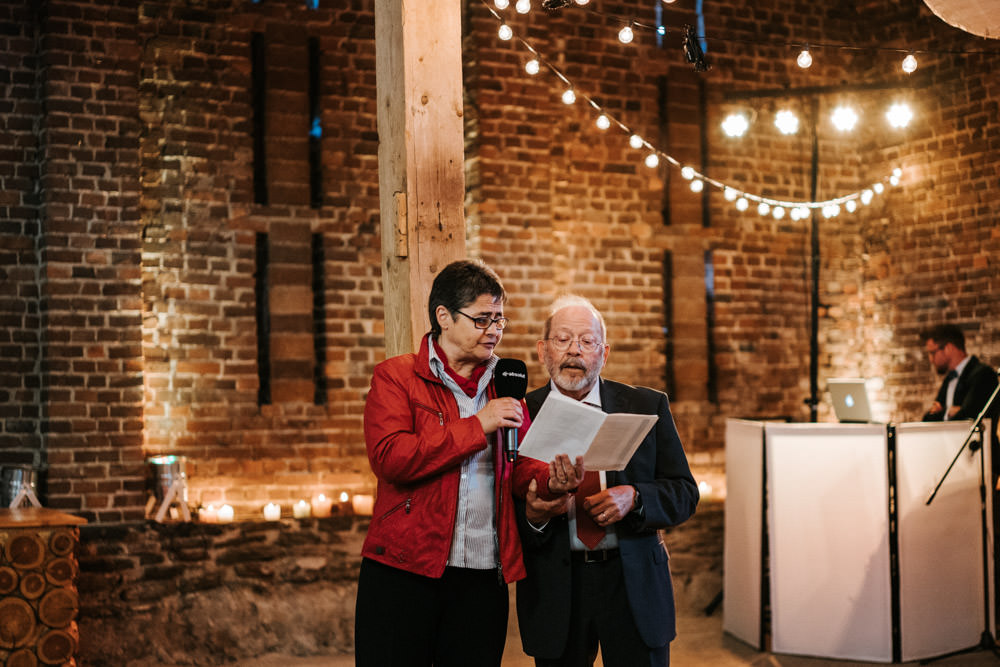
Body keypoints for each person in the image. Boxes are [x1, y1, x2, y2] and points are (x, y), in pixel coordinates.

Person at [354, 259, 576, 667]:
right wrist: (477, 425)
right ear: (444, 317)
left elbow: (519, 465)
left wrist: (550, 481)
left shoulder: (505, 380)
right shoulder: (396, 377)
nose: (494, 330)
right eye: (482, 319)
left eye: (500, 319)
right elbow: (391, 458)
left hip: (481, 574)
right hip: (404, 571)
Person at [515, 294, 700, 667]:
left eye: (587, 341)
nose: (574, 351)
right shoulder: (519, 412)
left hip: (632, 580)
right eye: (563, 339)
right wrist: (535, 516)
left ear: (604, 352)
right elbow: (501, 503)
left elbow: (685, 493)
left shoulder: (647, 406)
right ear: (542, 350)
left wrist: (635, 497)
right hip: (557, 584)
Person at [921, 323, 998, 425]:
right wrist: (949, 412)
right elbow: (928, 418)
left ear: (948, 348)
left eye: (932, 353)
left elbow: (969, 416)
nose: (931, 360)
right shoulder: (949, 379)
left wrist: (944, 412)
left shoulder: (983, 374)